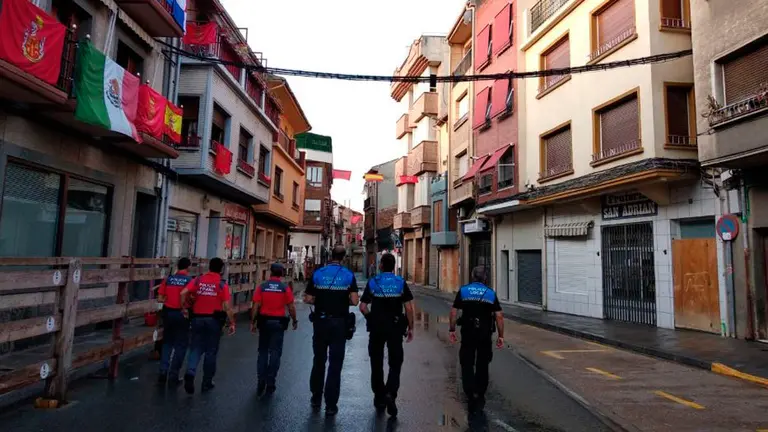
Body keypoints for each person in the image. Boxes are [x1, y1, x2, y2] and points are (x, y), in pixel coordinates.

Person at [303, 245, 359, 416]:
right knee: (335, 365)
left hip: (320, 322)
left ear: (331, 255)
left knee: (319, 360)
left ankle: (315, 396)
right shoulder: (349, 275)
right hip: (339, 323)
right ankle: (331, 405)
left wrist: (321, 300)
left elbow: (308, 298)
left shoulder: (318, 274)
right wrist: (342, 301)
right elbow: (355, 301)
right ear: (343, 257)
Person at [359, 252, 414, 417]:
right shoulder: (400, 282)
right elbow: (409, 308)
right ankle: (391, 393)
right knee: (395, 363)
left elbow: (362, 306)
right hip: (395, 328)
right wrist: (411, 328)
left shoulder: (373, 282)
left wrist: (371, 318)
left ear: (381, 265)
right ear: (393, 266)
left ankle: (379, 397)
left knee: (376, 363)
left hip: (376, 328)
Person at [449, 266, 505, 414]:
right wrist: (501, 335)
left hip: (468, 333)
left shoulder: (464, 291)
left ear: (473, 276)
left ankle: (469, 391)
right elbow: (499, 316)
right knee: (483, 363)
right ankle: (479, 392)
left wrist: (452, 329)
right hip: (484, 334)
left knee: (466, 362)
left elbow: (454, 312)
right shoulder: (491, 293)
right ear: (485, 278)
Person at [180, 257, 236, 394]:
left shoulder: (199, 280)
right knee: (211, 351)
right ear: (221, 269)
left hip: (197, 318)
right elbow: (227, 307)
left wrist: (184, 308)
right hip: (214, 321)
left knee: (196, 348)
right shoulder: (222, 284)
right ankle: (207, 381)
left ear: (209, 267)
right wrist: (232, 322)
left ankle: (191, 372)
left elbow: (183, 292)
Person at [250, 263, 298, 396]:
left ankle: (261, 380)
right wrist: (294, 320)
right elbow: (291, 307)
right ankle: (271, 381)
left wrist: (253, 321)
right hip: (278, 323)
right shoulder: (284, 288)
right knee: (275, 352)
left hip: (264, 322)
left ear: (270, 273)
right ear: (282, 274)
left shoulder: (262, 287)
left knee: (263, 352)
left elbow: (255, 306)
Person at [156, 257, 194, 384]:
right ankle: (174, 374)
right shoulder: (189, 281)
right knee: (181, 345)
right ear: (188, 267)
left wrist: (169, 300)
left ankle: (163, 370)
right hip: (182, 313)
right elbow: (193, 298)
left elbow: (160, 298)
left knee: (167, 342)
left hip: (168, 312)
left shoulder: (168, 279)